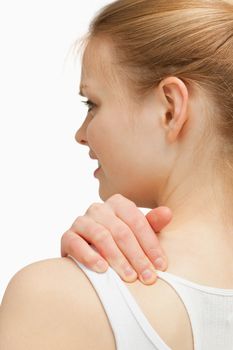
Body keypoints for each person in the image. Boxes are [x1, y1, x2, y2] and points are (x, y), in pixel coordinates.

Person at [1, 0, 233, 349]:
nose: (81, 134)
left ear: (170, 108)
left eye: (92, 104)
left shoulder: (57, 298)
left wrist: (72, 285)